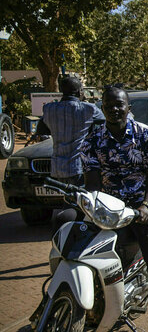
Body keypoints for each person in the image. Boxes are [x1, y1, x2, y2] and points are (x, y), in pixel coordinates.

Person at [79, 87, 148, 332]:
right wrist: (92, 208)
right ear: (102, 107)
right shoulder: (92, 139)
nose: (114, 109)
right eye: (108, 104)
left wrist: (146, 205)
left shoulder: (145, 134)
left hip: (142, 203)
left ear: (128, 108)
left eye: (119, 104)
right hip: (109, 206)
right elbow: (91, 180)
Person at [37, 77, 105, 225]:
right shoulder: (88, 109)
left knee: (67, 200)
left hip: (57, 167)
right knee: (79, 203)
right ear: (79, 91)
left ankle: (67, 226)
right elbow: (105, 122)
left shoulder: (48, 109)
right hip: (78, 166)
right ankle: (75, 231)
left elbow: (41, 129)